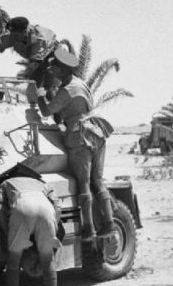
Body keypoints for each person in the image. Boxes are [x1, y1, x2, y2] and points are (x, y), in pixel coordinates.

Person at [33, 46, 115, 247]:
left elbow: (46, 112)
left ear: (63, 71)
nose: (52, 71)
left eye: (55, 69)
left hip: (79, 135)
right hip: (96, 130)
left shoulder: (66, 90)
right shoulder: (80, 84)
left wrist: (40, 95)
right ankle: (110, 222)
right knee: (98, 180)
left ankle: (88, 229)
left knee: (84, 183)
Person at [0, 176, 61, 286]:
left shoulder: (5, 183)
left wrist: (7, 232)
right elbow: (57, 204)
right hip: (46, 209)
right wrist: (52, 228)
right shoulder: (40, 182)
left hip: (22, 208)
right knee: (48, 260)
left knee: (13, 263)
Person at [0, 17, 58, 87]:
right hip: (36, 60)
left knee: (45, 84)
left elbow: (34, 65)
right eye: (12, 34)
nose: (14, 37)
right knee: (34, 85)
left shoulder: (39, 39)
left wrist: (17, 83)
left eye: (16, 35)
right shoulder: (11, 36)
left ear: (25, 31)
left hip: (54, 57)